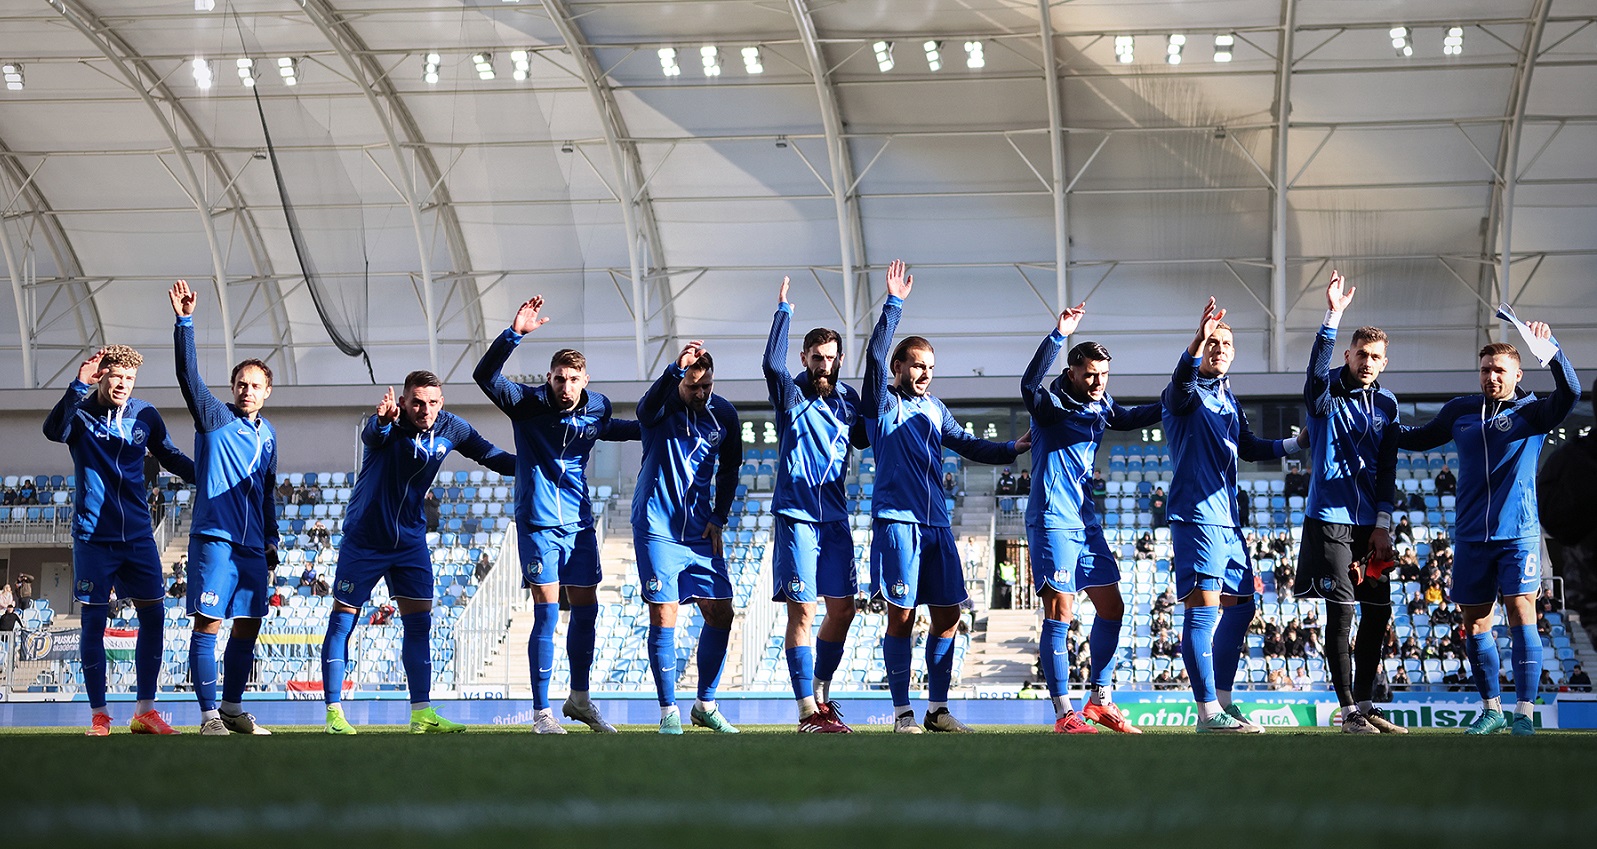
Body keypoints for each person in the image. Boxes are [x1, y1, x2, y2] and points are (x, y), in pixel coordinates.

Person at [864, 259, 1028, 733]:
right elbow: (873, 360)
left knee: (949, 614)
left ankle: (937, 710)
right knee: (900, 614)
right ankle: (901, 713)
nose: (925, 373)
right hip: (897, 521)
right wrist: (893, 304)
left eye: (930, 367)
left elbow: (969, 443)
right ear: (899, 367)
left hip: (937, 524)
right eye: (917, 365)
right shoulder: (883, 402)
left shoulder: (935, 408)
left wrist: (1011, 448)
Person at [1399, 316, 1578, 735]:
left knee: (1520, 613)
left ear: (1518, 374)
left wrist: (1549, 353)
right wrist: (1376, 425)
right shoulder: (1459, 411)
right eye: (1485, 369)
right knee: (1475, 623)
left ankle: (1524, 714)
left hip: (1517, 534)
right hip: (1470, 536)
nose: (1491, 376)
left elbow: (1571, 391)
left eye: (1500, 370)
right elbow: (1418, 437)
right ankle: (1491, 709)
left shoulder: (1534, 413)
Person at [473, 295, 640, 734]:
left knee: (587, 610)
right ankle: (542, 713)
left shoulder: (597, 406)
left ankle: (580, 701)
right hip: (538, 525)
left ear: (585, 380)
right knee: (546, 611)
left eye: (573, 379)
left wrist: (663, 427)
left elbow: (618, 430)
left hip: (581, 525)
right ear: (548, 377)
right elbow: (483, 375)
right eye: (559, 378)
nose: (565, 386)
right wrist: (514, 335)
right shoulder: (525, 402)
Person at [320, 373, 516, 735]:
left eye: (432, 402)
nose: (425, 410)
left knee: (419, 623)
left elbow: (491, 456)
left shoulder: (451, 427)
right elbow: (371, 437)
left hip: (409, 540)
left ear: (441, 402)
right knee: (343, 620)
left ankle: (421, 713)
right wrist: (381, 421)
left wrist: (538, 466)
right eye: (417, 402)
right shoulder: (389, 424)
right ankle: (333, 712)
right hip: (365, 537)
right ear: (405, 402)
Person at [1162, 297, 1302, 733]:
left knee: (1242, 607)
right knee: (1203, 611)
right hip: (1196, 516)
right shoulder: (1182, 395)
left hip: (1229, 521)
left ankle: (1223, 701)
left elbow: (1252, 447)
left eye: (1225, 343)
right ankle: (1206, 714)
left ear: (1234, 352)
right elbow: (1181, 378)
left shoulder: (1229, 398)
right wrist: (1196, 340)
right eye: (1211, 343)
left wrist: (1296, 445)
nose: (1218, 348)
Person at [1021, 303, 1161, 734]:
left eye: (1104, 374)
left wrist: (1176, 396)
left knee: (1112, 606)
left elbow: (1132, 417)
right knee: (1060, 611)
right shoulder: (1050, 405)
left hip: (1085, 521)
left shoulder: (1101, 403)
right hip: (1051, 518)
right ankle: (1065, 713)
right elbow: (1028, 383)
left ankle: (1100, 700)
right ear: (1071, 372)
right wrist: (1058, 334)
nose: (1098, 382)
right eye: (1090, 375)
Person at [44, 343, 195, 737]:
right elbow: (52, 430)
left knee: (154, 617)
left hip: (138, 536)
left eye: (130, 379)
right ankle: (100, 716)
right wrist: (77, 386)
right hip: (93, 537)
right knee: (93, 623)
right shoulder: (78, 413)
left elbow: (170, 456)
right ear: (101, 376)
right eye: (117, 377)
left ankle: (145, 711)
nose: (123, 385)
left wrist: (209, 476)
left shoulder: (145, 415)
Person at [1292, 271, 1406, 735]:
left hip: (1370, 527)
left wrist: (1383, 522)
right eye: (1361, 354)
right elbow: (1315, 372)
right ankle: (1348, 713)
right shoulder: (1325, 394)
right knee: (1341, 613)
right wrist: (1332, 315)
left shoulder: (1389, 405)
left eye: (1376, 357)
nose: (1368, 362)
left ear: (1383, 362)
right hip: (1330, 522)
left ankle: (1366, 701)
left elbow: (1388, 468)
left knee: (1378, 615)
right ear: (1348, 355)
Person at [170, 279, 279, 736]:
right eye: (240, 384)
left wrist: (272, 540)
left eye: (255, 385)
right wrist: (185, 323)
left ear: (267, 391)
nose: (247, 390)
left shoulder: (269, 434)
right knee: (209, 624)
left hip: (253, 548)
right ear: (232, 388)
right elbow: (189, 378)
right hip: (216, 539)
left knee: (248, 626)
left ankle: (233, 711)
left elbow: (267, 491)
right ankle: (208, 715)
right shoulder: (215, 417)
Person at [762, 277, 871, 733]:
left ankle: (822, 694)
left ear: (840, 359)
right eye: (816, 358)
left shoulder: (849, 399)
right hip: (797, 516)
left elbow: (867, 436)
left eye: (831, 358)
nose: (824, 365)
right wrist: (783, 311)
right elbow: (771, 363)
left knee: (843, 610)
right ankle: (807, 711)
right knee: (803, 612)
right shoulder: (791, 394)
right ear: (804, 359)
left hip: (835, 517)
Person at [632, 339, 742, 735]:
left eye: (706, 386)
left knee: (721, 611)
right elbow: (644, 410)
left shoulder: (724, 415)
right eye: (692, 386)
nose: (699, 393)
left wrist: (720, 516)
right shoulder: (662, 406)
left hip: (699, 530)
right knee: (665, 612)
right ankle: (668, 713)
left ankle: (705, 704)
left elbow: (731, 468)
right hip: (656, 527)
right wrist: (674, 370)